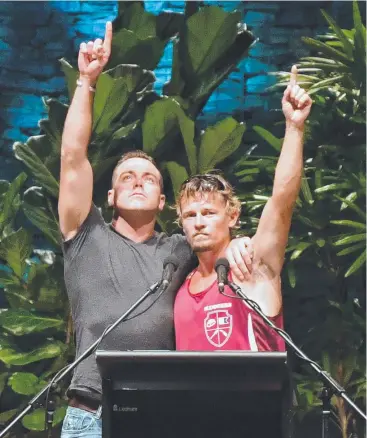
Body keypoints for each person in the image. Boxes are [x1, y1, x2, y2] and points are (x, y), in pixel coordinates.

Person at [58, 22, 253, 438]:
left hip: (161, 413)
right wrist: (87, 82)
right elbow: (73, 157)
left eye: (149, 178)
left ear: (163, 204)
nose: (139, 181)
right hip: (89, 414)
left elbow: (218, 233)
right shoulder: (85, 235)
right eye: (126, 177)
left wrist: (243, 244)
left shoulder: (179, 249)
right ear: (109, 196)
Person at [174, 66, 312, 351]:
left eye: (209, 213)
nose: (199, 222)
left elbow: (282, 201)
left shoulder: (252, 265)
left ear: (233, 216)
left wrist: (295, 127)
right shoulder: (179, 283)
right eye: (190, 215)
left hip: (255, 397)